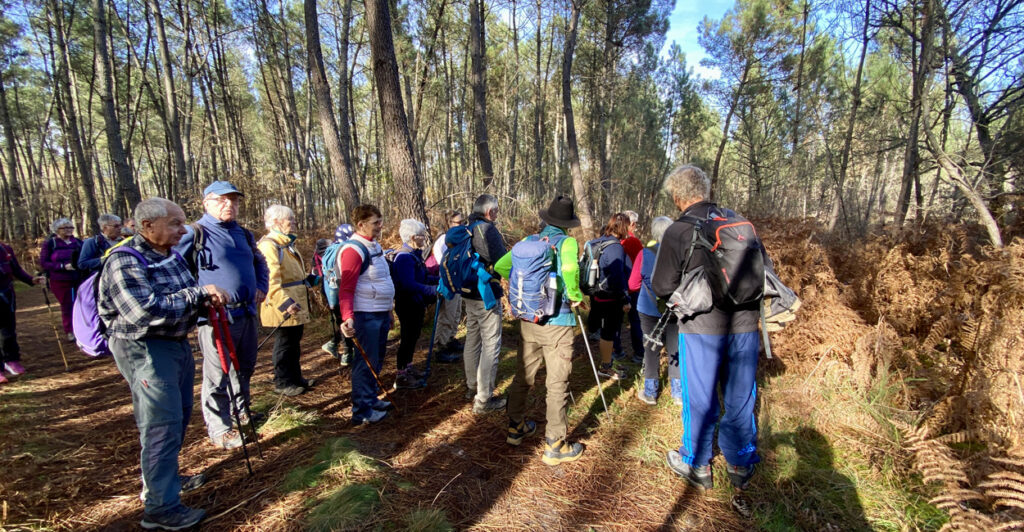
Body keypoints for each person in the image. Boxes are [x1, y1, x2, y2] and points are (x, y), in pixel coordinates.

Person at [99, 197, 230, 531]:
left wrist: (205, 301)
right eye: (174, 223)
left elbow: (185, 296)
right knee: (161, 424)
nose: (182, 229)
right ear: (147, 226)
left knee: (179, 418)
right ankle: (160, 508)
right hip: (145, 350)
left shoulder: (169, 256)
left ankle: (165, 482)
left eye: (181, 222)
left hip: (175, 346)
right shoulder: (124, 261)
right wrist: (197, 296)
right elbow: (143, 312)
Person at [652, 165, 765, 492]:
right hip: (744, 325)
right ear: (705, 188)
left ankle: (697, 463)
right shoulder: (739, 224)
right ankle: (741, 462)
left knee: (700, 397)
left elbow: (661, 285)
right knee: (741, 395)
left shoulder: (678, 230)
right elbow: (763, 273)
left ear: (677, 195)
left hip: (701, 328)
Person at [175, 180, 269, 448]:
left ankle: (242, 411)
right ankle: (220, 428)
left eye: (234, 200)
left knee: (245, 367)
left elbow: (259, 262)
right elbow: (177, 274)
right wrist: (201, 295)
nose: (230, 204)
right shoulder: (194, 233)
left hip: (247, 313)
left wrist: (262, 286)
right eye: (222, 200)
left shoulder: (244, 234)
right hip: (216, 317)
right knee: (218, 374)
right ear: (207, 203)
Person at [494, 195, 586, 465]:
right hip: (558, 322)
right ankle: (555, 445)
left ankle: (515, 428)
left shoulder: (527, 242)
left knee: (523, 375)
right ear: (567, 224)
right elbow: (569, 268)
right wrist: (576, 293)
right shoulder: (567, 242)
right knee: (557, 383)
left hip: (528, 320)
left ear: (546, 220)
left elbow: (501, 265)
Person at [338, 205, 395, 425]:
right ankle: (361, 410)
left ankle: (371, 399)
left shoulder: (374, 246)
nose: (380, 226)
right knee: (365, 362)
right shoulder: (354, 250)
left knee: (377, 358)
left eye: (381, 221)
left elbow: (383, 280)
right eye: (375, 222)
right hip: (365, 314)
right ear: (361, 225)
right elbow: (347, 288)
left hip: (380, 312)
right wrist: (348, 317)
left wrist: (389, 310)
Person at [258, 205, 313, 397]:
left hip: (296, 302)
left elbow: (290, 272)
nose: (294, 222)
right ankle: (282, 382)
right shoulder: (269, 245)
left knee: (294, 343)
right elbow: (270, 280)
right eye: (290, 219)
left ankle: (296, 378)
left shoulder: (286, 244)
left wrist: (308, 278)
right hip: (282, 305)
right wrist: (285, 303)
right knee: (284, 344)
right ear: (276, 222)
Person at [462, 194, 508, 414]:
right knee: (490, 344)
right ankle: (483, 399)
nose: (497, 215)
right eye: (496, 211)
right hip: (486, 294)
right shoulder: (487, 230)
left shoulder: (466, 228)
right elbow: (502, 261)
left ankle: (472, 386)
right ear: (490, 212)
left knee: (472, 338)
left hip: (468, 292)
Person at [628, 216, 681, 405]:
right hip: (674, 310)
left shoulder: (644, 253)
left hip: (648, 309)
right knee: (676, 348)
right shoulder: (680, 254)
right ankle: (678, 393)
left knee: (651, 348)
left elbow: (632, 284)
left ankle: (650, 392)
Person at [391, 219, 438, 389]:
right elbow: (408, 284)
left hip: (416, 303)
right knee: (407, 338)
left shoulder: (414, 255)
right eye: (421, 235)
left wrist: (438, 280)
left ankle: (408, 367)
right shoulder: (404, 258)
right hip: (407, 304)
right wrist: (431, 290)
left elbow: (422, 277)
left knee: (413, 336)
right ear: (413, 237)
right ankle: (401, 375)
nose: (424, 238)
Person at [585, 213, 631, 381]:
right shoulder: (615, 247)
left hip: (596, 294)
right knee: (609, 332)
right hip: (610, 297)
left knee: (605, 331)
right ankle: (606, 367)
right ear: (623, 227)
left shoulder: (597, 241)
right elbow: (617, 276)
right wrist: (625, 299)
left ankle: (607, 361)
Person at [0, 242, 45, 383]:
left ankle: (11, 360)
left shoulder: (5, 248)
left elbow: (16, 270)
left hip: (6, 295)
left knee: (8, 331)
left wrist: (31, 279)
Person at [39, 218, 83, 341]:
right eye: (65, 227)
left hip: (78, 278)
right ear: (57, 230)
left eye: (71, 227)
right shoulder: (50, 244)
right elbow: (44, 263)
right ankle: (70, 330)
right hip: (59, 280)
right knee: (67, 304)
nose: (69, 230)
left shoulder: (79, 243)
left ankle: (81, 329)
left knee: (80, 304)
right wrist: (62, 266)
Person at [429, 210, 465, 362]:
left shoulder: (461, 239)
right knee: (446, 316)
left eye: (463, 222)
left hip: (458, 282)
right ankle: (440, 347)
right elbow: (443, 265)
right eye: (458, 222)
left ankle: (450, 339)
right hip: (447, 283)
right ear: (449, 224)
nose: (461, 225)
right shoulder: (442, 241)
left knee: (455, 313)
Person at [321, 223, 355, 366]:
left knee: (341, 321)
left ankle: (336, 346)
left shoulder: (330, 250)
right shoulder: (346, 250)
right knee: (347, 323)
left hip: (331, 293)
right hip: (343, 293)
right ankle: (347, 354)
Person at [618, 210, 644, 363]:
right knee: (635, 320)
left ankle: (617, 351)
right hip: (633, 287)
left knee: (617, 321)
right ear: (632, 224)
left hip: (619, 285)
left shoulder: (616, 240)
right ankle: (639, 353)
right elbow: (642, 262)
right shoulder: (633, 241)